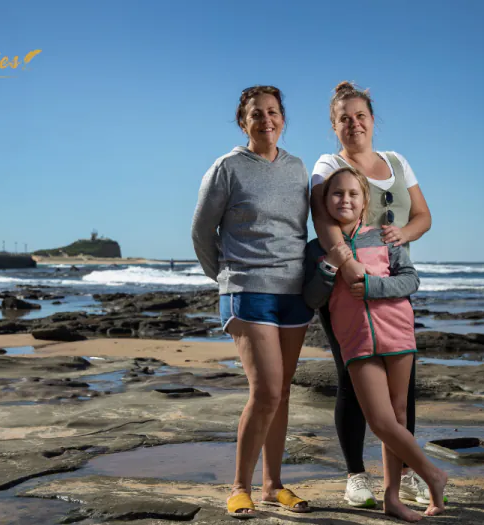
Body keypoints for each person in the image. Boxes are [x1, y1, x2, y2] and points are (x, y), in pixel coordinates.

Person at [309, 81, 433, 508]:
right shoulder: (329, 164)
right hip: (347, 286)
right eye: (344, 118)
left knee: (403, 388)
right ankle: (356, 475)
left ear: (373, 120)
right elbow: (322, 221)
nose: (354, 124)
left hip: (392, 286)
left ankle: (404, 474)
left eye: (361, 116)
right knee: (352, 377)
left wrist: (402, 235)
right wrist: (348, 265)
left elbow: (422, 216)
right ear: (334, 126)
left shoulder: (397, 161)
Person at [191, 85, 313, 518]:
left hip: (294, 294)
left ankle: (273, 485)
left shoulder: (299, 168)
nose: (267, 120)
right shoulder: (227, 168)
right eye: (257, 114)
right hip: (247, 292)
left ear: (283, 118)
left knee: (280, 393)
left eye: (274, 112)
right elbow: (202, 233)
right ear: (244, 122)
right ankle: (240, 486)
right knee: (264, 392)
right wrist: (226, 279)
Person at [304, 166, 446, 522]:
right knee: (380, 420)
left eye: (353, 194)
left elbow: (411, 280)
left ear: (364, 200)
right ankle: (432, 473)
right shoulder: (316, 249)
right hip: (356, 343)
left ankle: (392, 498)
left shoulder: (383, 238)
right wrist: (331, 267)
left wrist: (372, 288)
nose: (345, 200)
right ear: (325, 201)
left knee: (399, 416)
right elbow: (312, 299)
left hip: (398, 335)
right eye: (337, 194)